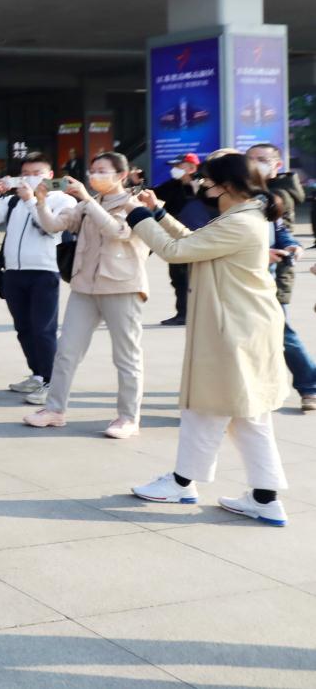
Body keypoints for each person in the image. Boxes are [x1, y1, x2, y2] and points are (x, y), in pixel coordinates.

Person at [128, 151, 293, 525]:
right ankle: (264, 497)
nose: (202, 184)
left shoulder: (241, 221)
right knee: (247, 414)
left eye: (207, 178)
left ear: (228, 184)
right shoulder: (244, 215)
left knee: (206, 407)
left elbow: (177, 251)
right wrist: (157, 214)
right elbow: (196, 242)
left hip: (233, 328)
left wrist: (137, 217)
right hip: (241, 325)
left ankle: (183, 482)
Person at [23, 152, 150, 437]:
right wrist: (40, 203)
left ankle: (128, 417)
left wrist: (88, 200)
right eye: (93, 170)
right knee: (66, 351)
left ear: (121, 175)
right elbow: (53, 225)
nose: (95, 176)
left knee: (126, 356)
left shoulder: (136, 203)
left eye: (102, 171)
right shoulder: (87, 203)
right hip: (84, 285)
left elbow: (118, 231)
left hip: (122, 286)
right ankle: (54, 409)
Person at [0, 153, 76, 403]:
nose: (31, 178)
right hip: (13, 271)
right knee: (23, 328)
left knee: (43, 329)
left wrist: (33, 201)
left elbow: (50, 227)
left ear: (50, 175)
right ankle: (37, 374)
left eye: (37, 173)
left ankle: (52, 383)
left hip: (45, 271)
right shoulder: (15, 202)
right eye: (26, 174)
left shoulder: (62, 199)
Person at [247, 143, 316, 413]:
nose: (255, 164)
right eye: (250, 159)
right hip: (246, 275)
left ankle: (309, 385)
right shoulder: (246, 193)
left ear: (277, 164)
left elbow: (279, 232)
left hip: (275, 275)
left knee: (281, 332)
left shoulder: (277, 194)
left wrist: (289, 246)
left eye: (262, 160)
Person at [152, 153, 204, 326]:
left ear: (191, 168)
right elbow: (153, 194)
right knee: (178, 277)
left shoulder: (205, 186)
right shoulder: (172, 185)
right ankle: (183, 313)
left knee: (200, 279)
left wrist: (198, 192)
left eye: (178, 166)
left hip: (200, 238)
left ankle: (200, 314)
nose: (174, 170)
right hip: (175, 237)